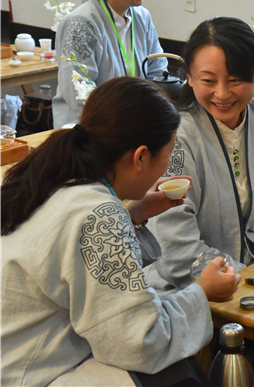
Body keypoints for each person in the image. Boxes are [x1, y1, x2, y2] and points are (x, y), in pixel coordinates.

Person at [1, 77, 241, 387]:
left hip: (18, 356)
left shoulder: (53, 177)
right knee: (176, 372)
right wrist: (202, 292)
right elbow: (139, 341)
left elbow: (68, 247)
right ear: (140, 156)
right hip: (31, 373)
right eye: (168, 155)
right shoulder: (99, 212)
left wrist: (134, 215)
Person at [144, 17, 254, 292]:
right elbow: (175, 246)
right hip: (188, 288)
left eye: (235, 80)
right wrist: (247, 280)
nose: (222, 93)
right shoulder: (175, 137)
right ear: (190, 76)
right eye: (208, 80)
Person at [52, 0, 167, 128]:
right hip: (90, 125)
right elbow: (78, 89)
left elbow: (157, 69)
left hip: (136, 121)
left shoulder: (142, 17)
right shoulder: (80, 23)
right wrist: (118, 121)